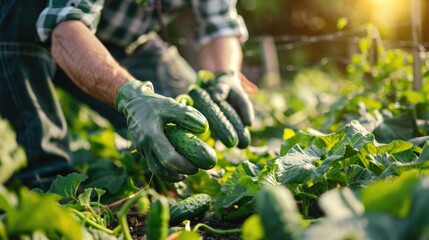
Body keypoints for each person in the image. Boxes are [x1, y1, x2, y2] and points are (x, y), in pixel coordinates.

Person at [0, 0, 254, 190]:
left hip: (126, 41)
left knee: (178, 118)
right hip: (45, 27)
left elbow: (220, 26)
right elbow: (65, 29)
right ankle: (48, 181)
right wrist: (133, 96)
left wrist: (226, 74)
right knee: (20, 12)